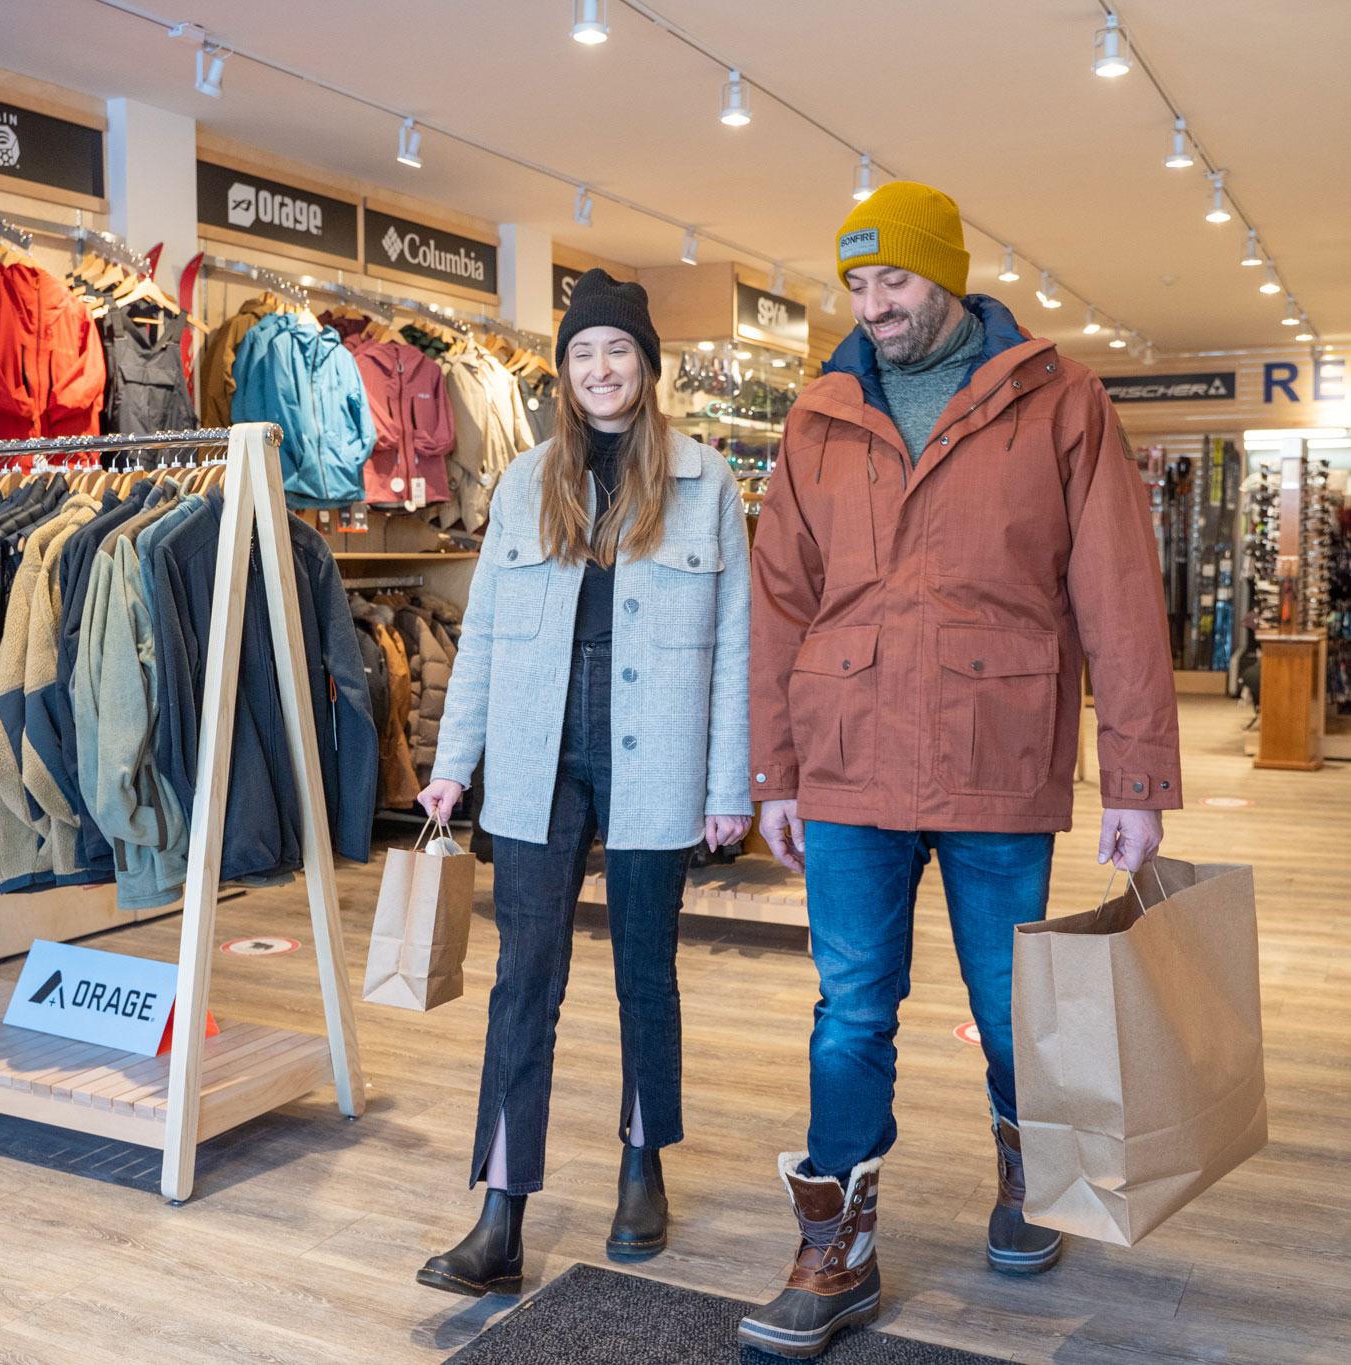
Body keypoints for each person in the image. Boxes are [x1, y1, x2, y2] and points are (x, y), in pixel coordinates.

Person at [738, 182, 1181, 1359]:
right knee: (850, 1014)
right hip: (845, 761)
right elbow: (780, 600)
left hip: (999, 751)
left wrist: (1136, 783)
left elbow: (1121, 596)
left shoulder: (1057, 399)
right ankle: (837, 1249)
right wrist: (772, 772)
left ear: (950, 277)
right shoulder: (818, 415)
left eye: (897, 281)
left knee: (1007, 1010)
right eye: (858, 285)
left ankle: (1025, 1173)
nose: (875, 306)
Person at [413, 269, 752, 1297]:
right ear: (563, 373)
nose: (601, 370)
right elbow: (481, 638)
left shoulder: (707, 481)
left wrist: (728, 779)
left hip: (657, 746)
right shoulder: (525, 483)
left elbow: (739, 641)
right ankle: (501, 1209)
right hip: (535, 749)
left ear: (647, 368)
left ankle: (642, 1162)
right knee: (525, 977)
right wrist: (450, 764)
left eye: (618, 352)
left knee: (646, 971)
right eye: (583, 354)